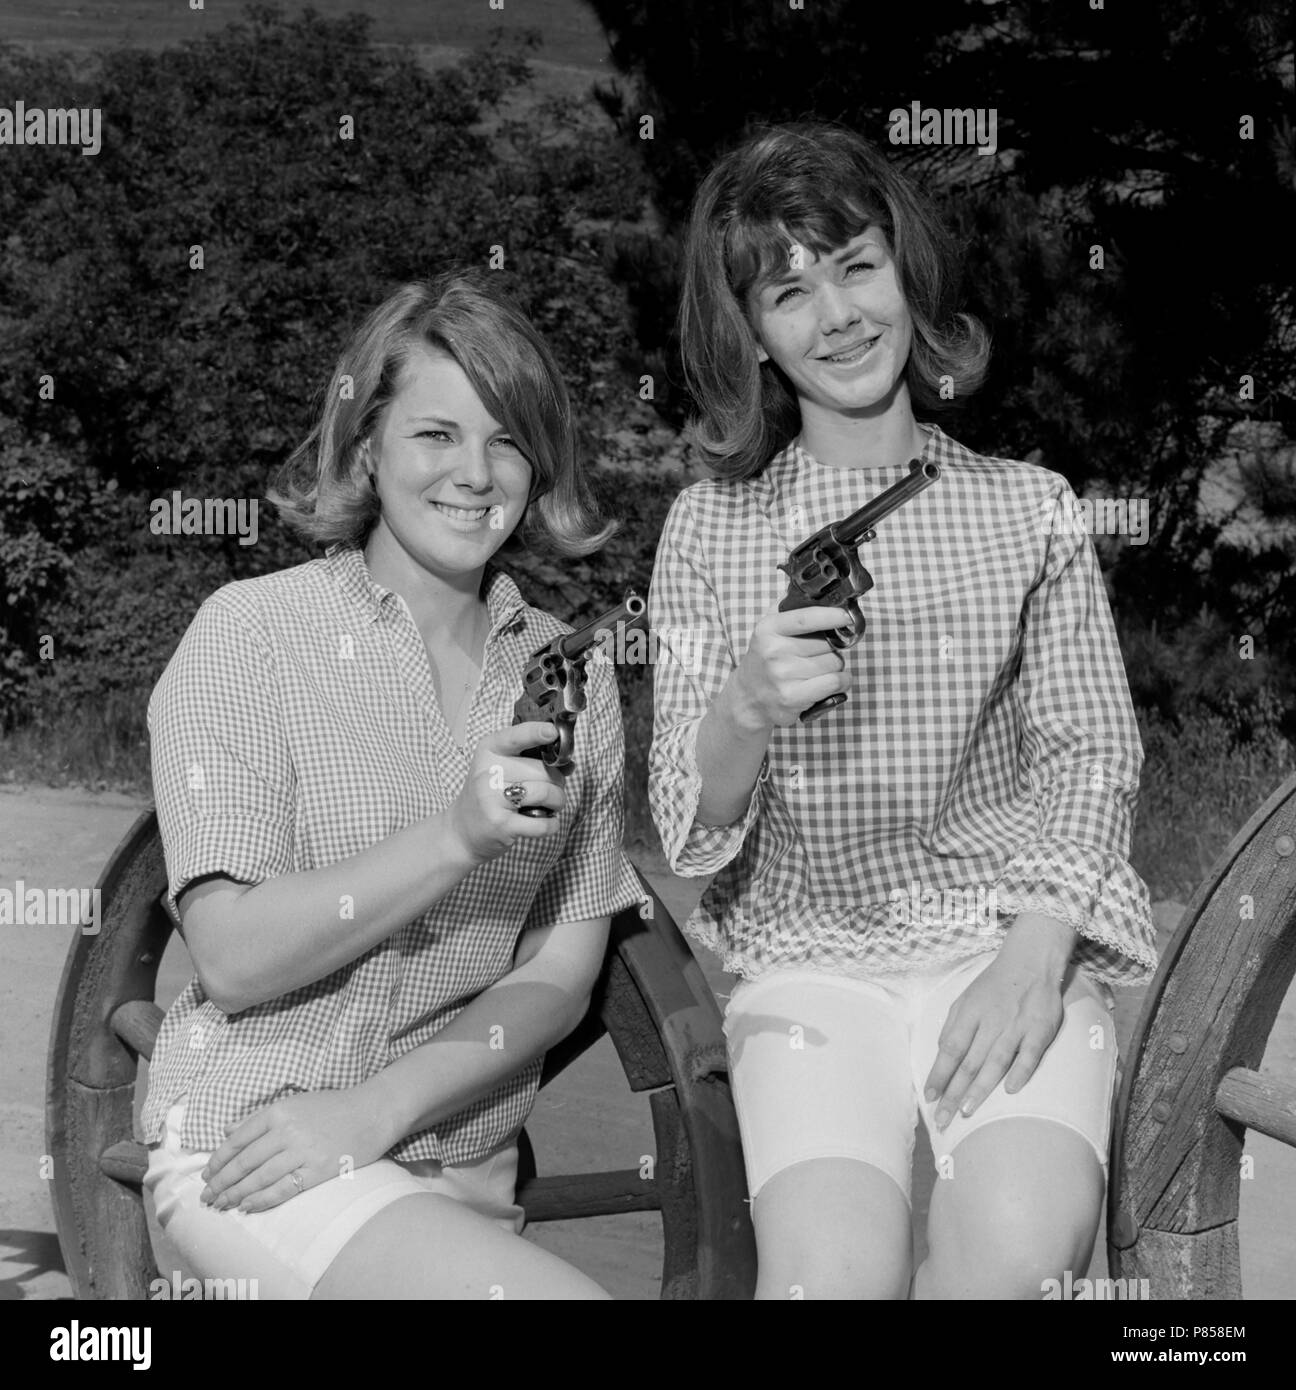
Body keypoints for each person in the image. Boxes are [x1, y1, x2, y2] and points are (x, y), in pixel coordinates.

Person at [647, 122, 1158, 1300]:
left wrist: (1036, 956)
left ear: (907, 276)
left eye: (857, 268)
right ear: (755, 336)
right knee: (828, 1282)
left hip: (1002, 940)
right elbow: (687, 821)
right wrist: (746, 708)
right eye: (789, 291)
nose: (836, 317)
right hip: (811, 964)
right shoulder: (711, 530)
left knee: (1020, 1259)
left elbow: (1087, 754)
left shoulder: (1030, 507)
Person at [141, 271, 643, 1299]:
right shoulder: (252, 635)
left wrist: (377, 1109)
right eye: (436, 434)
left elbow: (559, 968)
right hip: (258, 1143)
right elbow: (230, 956)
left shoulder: (563, 671)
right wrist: (456, 836)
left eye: (508, 439)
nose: (477, 472)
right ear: (365, 445)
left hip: (455, 1168)